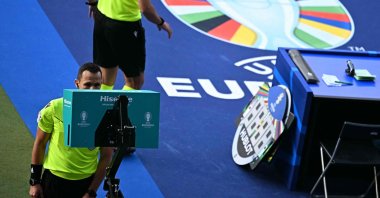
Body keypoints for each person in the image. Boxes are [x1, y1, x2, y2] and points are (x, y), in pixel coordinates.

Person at [29, 63, 113, 198]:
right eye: (87, 84)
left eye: (97, 85)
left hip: (85, 182)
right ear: (77, 83)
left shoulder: (107, 114)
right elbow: (40, 143)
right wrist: (34, 181)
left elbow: (106, 156)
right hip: (54, 181)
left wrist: (91, 191)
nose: (92, 90)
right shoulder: (55, 108)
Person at [87, 0, 173, 91]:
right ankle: (119, 105)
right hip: (125, 27)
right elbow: (145, 8)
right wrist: (161, 22)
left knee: (106, 77)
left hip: (101, 19)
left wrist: (92, 3)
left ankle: (101, 104)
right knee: (134, 82)